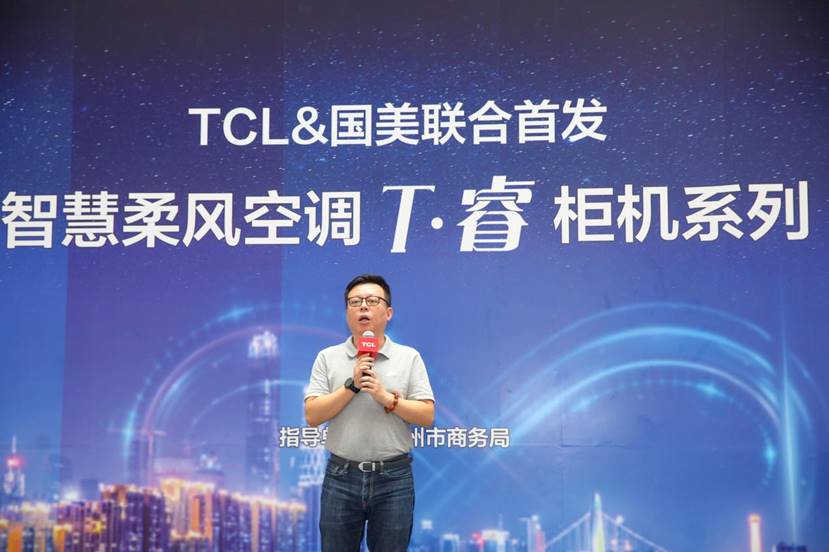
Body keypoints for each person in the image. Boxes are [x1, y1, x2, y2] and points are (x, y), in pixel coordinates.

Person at [304, 274, 435, 551]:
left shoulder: (409, 357)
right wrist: (352, 386)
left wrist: (385, 398)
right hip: (341, 476)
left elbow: (426, 415)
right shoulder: (327, 357)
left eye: (372, 301)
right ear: (347, 313)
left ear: (388, 312)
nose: (363, 306)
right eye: (355, 302)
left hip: (394, 478)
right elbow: (313, 415)